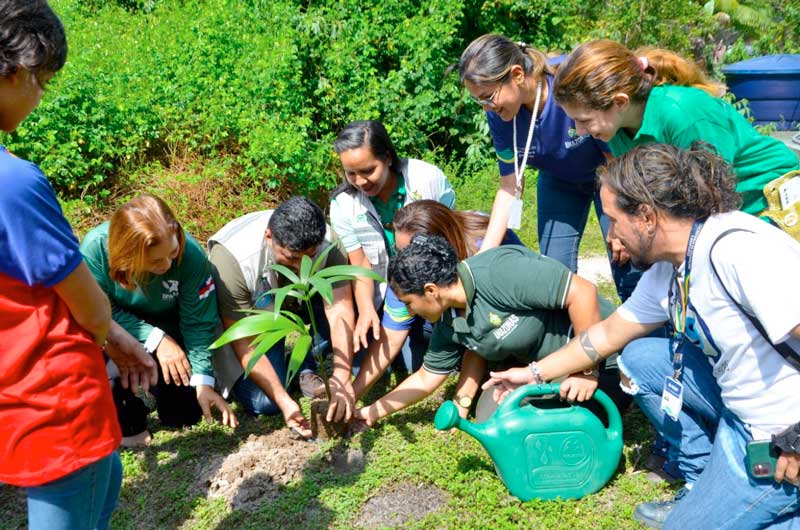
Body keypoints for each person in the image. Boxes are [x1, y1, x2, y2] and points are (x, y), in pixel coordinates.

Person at [485, 143, 800, 529]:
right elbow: (605, 335)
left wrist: (796, 437)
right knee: (641, 358)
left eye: (614, 220)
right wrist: (532, 374)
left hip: (781, 434)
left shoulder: (738, 251)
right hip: (741, 416)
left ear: (647, 216)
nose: (612, 235)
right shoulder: (674, 266)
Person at [0, 2, 150, 528]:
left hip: (17, 392)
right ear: (16, 70)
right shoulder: (13, 184)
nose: (40, 96)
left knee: (103, 485)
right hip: (52, 398)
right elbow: (89, 307)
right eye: (42, 82)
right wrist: (114, 335)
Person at [353, 235, 629, 427]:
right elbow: (426, 377)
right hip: (546, 371)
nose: (410, 312)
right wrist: (371, 412)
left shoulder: (498, 271)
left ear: (431, 290)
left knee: (529, 425)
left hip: (605, 360)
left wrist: (586, 370)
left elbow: (583, 292)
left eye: (408, 303)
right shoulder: (448, 319)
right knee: (492, 414)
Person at [458, 33, 641, 301]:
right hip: (558, 182)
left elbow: (616, 160)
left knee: (626, 259)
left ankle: (646, 324)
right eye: (479, 101)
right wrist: (482, 258)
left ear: (517, 74)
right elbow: (509, 186)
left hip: (611, 176)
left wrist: (620, 221)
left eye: (488, 97)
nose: (486, 108)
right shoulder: (499, 115)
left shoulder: (566, 88)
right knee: (555, 275)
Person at [552, 39, 800, 218]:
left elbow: (714, 196)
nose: (580, 131)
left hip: (770, 199)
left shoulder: (682, 112)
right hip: (722, 207)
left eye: (585, 120)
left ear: (620, 102)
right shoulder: (617, 129)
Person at [81, 194, 237, 446]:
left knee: (183, 414)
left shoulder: (190, 255)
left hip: (173, 333)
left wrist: (203, 380)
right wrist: (155, 339)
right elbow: (97, 310)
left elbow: (198, 320)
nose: (166, 264)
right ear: (128, 254)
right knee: (109, 385)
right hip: (119, 337)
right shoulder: (96, 250)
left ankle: (156, 385)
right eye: (154, 260)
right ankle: (127, 412)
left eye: (172, 253)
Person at [352, 199, 524, 417]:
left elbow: (481, 335)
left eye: (411, 252)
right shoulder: (409, 272)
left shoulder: (487, 252)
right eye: (399, 250)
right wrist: (354, 396)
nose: (404, 259)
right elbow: (394, 339)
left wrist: (462, 400)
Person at [208, 197, 357, 436]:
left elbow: (340, 309)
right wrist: (284, 401)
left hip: (300, 303)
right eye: (293, 258)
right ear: (269, 237)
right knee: (264, 402)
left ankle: (305, 366)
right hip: (256, 322)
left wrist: (341, 376)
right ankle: (286, 366)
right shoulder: (232, 260)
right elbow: (243, 339)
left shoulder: (327, 241)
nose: (302, 267)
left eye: (311, 256)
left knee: (348, 306)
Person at [329, 119, 456, 372]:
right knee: (393, 361)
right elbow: (361, 264)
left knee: (423, 353)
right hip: (387, 294)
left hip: (431, 287)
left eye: (368, 170)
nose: (360, 181)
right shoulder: (343, 205)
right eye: (351, 173)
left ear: (387, 158)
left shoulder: (426, 180)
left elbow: (450, 240)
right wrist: (366, 309)